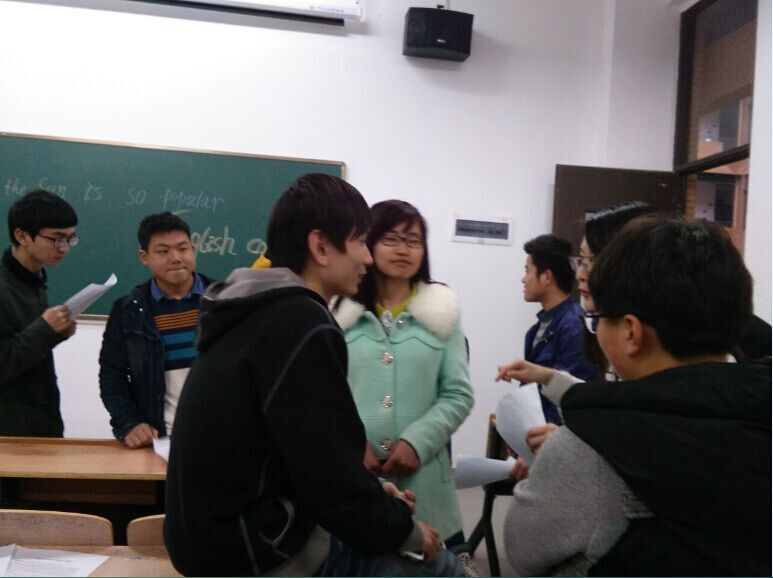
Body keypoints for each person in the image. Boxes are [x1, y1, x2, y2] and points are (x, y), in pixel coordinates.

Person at [164, 174, 463, 577]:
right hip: (257, 552)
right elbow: (332, 486)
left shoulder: (254, 310)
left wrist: (373, 494)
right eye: (361, 241)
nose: (368, 258)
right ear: (321, 246)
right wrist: (407, 531)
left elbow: (309, 458)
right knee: (442, 567)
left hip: (217, 543)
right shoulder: (302, 323)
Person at [503, 217, 771, 576]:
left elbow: (523, 549)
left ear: (631, 332)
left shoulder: (591, 449)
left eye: (598, 318)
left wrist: (552, 464)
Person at [332, 199, 474, 544]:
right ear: (368, 243)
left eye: (413, 241)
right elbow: (325, 394)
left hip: (425, 482)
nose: (403, 250)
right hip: (355, 478)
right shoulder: (339, 312)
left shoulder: (442, 313)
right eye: (391, 239)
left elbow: (458, 394)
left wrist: (417, 442)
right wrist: (351, 443)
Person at [497, 202, 654, 457]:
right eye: (580, 261)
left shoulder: (574, 323)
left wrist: (567, 442)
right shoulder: (541, 327)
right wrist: (546, 378)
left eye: (589, 261)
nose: (580, 274)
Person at [99, 212, 215, 448]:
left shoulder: (225, 300)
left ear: (193, 250)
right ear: (144, 257)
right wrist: (128, 423)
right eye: (163, 251)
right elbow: (112, 376)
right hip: (161, 440)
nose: (176, 258)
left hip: (223, 433)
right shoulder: (128, 311)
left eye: (183, 248)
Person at [0, 190, 79, 437]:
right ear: (22, 236)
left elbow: (23, 345)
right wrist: (45, 330)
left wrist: (56, 333)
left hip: (40, 424)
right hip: (9, 438)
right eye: (57, 238)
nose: (65, 248)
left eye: (70, 238)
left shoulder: (33, 279)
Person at [519, 234, 596, 424]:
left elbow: (571, 396)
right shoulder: (536, 330)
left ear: (546, 277)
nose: (523, 279)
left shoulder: (574, 325)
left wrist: (548, 435)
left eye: (527, 271)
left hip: (556, 434)